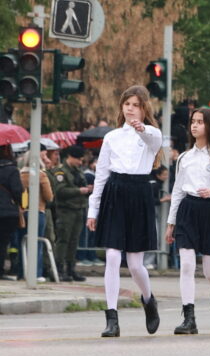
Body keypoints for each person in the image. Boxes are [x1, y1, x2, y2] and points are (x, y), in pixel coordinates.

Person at [87, 85, 164, 338]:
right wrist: (93, 210)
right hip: (115, 191)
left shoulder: (151, 133)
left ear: (144, 109)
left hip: (139, 192)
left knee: (134, 264)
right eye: (127, 104)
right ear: (121, 107)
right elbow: (101, 175)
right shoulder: (112, 137)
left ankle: (148, 299)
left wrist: (142, 129)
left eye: (136, 105)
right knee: (111, 256)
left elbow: (154, 139)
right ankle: (112, 318)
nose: (131, 109)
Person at [166, 108, 210, 335]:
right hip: (188, 209)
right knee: (186, 264)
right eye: (192, 122)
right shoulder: (184, 157)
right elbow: (176, 190)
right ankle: (189, 318)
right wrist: (171, 222)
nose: (194, 126)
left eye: (200, 122)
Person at [52, 145, 92, 282]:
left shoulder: (78, 171)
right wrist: (78, 191)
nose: (80, 163)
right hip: (66, 210)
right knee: (63, 240)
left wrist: (88, 189)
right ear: (70, 157)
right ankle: (59, 269)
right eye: (78, 160)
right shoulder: (61, 172)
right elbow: (60, 191)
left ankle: (71, 269)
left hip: (79, 209)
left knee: (74, 241)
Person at [17, 149, 53, 282]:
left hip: (22, 212)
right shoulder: (41, 175)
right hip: (38, 212)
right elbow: (49, 196)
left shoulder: (19, 174)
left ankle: (22, 272)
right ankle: (36, 273)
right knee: (37, 243)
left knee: (23, 242)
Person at [0, 145, 23, 279]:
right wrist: (20, 204)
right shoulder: (11, 170)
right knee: (3, 242)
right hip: (6, 211)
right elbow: (17, 190)